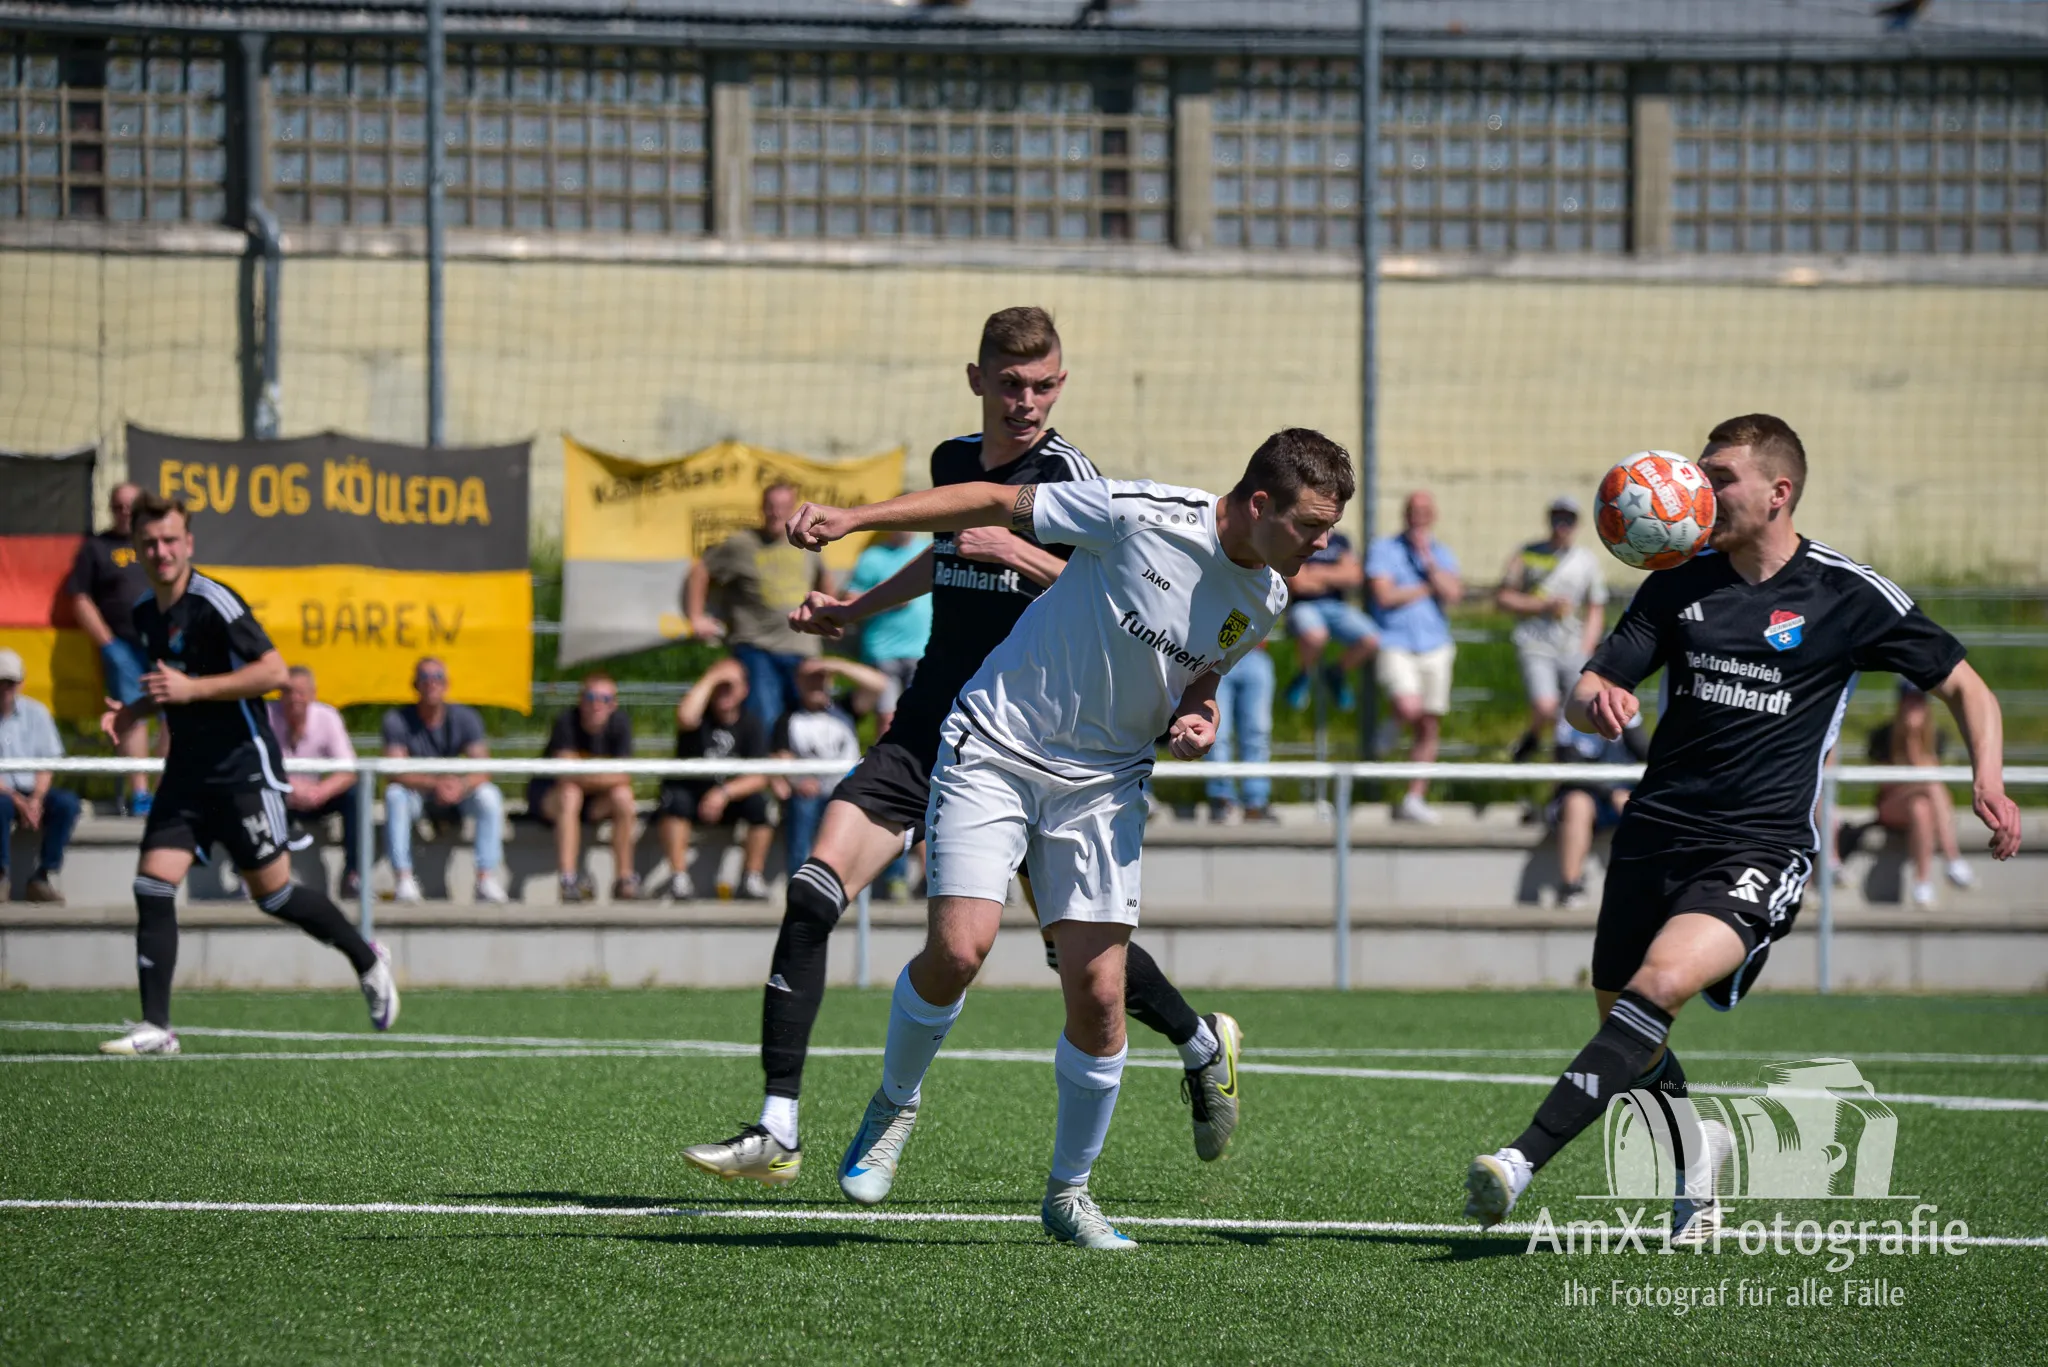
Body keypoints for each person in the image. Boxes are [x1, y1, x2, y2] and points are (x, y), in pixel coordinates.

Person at [679, 307, 1239, 1196]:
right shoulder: (953, 460)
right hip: (929, 724)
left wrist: (1016, 549)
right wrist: (853, 610)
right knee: (813, 889)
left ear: (1061, 384)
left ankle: (1200, 1041)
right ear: (977, 379)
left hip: (1033, 739)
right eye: (1010, 384)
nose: (1027, 401)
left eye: (1044, 385)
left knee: (1081, 963)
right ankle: (778, 1124)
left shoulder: (1070, 478)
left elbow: (1118, 599)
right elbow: (947, 555)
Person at [1464, 413, 2022, 1246]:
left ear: (1777, 491)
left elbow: (1968, 687)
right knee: (1625, 1022)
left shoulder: (1846, 593)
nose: (1700, 489)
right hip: (1654, 833)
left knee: (1658, 986)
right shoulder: (1675, 581)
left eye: (1720, 476)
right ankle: (1698, 1154)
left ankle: (1518, 1161)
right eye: (1698, 471)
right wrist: (1596, 701)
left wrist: (1987, 776)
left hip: (1760, 845)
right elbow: (1589, 686)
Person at [788, 426, 1352, 1250]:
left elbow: (1204, 669)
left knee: (1098, 993)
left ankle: (1069, 1194)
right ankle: (894, 1104)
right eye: (1312, 525)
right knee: (960, 949)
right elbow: (991, 500)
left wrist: (1200, 710)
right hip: (998, 743)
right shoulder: (1142, 512)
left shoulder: (1266, 595)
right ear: (1261, 504)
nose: (1324, 544)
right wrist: (854, 518)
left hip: (1106, 782)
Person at [95, 492, 397, 1055]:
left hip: (242, 773)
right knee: (152, 885)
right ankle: (157, 1028)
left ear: (189, 543)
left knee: (274, 896)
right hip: (186, 773)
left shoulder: (216, 603)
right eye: (149, 543)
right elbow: (172, 684)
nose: (161, 551)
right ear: (136, 547)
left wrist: (193, 690)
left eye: (170, 540)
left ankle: (366, 957)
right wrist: (134, 712)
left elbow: (275, 672)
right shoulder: (145, 613)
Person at [686, 483, 835, 733]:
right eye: (771, 507)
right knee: (766, 723)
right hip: (758, 648)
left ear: (793, 509)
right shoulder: (741, 543)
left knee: (807, 724)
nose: (776, 513)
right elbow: (700, 571)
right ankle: (764, 761)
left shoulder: (806, 541)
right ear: (762, 508)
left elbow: (824, 579)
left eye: (783, 507)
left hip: (802, 647)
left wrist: (831, 615)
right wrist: (696, 617)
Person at [1367, 490, 1464, 823]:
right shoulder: (1385, 549)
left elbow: (1453, 594)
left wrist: (1428, 562)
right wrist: (1426, 588)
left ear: (1433, 515)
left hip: (1435, 644)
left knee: (1429, 722)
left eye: (1425, 510)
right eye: (1414, 509)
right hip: (1396, 641)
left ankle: (1414, 796)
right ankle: (1394, 722)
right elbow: (1384, 596)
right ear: (1405, 514)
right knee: (1409, 706)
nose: (1419, 515)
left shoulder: (1442, 554)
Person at [381, 658, 507, 905]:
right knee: (394, 795)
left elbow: (484, 767)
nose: (432, 683)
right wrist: (435, 784)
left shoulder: (466, 717)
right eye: (425, 678)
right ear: (415, 684)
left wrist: (462, 785)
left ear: (446, 684)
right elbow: (394, 771)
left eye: (437, 677)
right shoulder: (396, 720)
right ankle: (403, 879)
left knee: (489, 796)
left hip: (457, 794)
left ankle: (485, 878)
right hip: (417, 794)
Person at [1843, 680, 1975, 908]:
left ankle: (1921, 882)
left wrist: (1915, 741)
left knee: (1921, 808)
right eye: (1909, 701)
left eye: (1918, 702)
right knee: (1932, 787)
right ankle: (1952, 858)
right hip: (1891, 805)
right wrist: (1907, 738)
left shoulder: (1936, 737)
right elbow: (1887, 784)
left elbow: (1929, 772)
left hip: (1917, 805)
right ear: (1900, 703)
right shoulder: (1883, 735)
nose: (1914, 707)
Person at [1498, 496, 1610, 764]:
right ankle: (1534, 737)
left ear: (1577, 524)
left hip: (1573, 647)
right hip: (1535, 642)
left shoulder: (1586, 561)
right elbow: (1503, 598)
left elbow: (1595, 607)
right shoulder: (1528, 554)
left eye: (1568, 519)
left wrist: (1587, 648)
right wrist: (1542, 605)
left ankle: (1564, 771)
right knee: (1545, 705)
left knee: (1574, 715)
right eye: (1557, 518)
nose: (1562, 525)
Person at [652, 657, 774, 902]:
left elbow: (761, 776)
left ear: (745, 690)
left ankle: (752, 877)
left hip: (728, 797)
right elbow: (685, 717)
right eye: (719, 686)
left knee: (759, 806)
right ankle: (679, 879)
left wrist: (724, 793)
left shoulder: (751, 723)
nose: (723, 691)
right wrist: (712, 677)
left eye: (730, 686)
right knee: (675, 801)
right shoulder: (699, 716)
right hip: (689, 792)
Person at [68, 481, 156, 815]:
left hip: (161, 644)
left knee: (176, 713)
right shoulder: (96, 547)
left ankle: (169, 789)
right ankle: (140, 793)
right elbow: (79, 598)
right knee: (131, 713)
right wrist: (108, 644)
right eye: (118, 507)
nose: (124, 513)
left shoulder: (155, 542)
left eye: (130, 507)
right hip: (123, 646)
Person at [531, 673, 638, 903]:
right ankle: (568, 880)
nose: (597, 704)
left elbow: (624, 777)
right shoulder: (566, 721)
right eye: (590, 697)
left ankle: (624, 879)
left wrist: (582, 773)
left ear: (614, 704)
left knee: (623, 796)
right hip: (553, 798)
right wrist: (604, 774)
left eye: (605, 699)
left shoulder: (620, 723)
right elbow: (565, 773)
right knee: (570, 794)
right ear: (580, 700)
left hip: (592, 801)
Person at [267, 665, 363, 897]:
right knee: (254, 795)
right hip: (278, 795)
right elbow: (253, 765)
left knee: (356, 794)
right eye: (288, 692)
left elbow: (349, 770)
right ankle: (258, 874)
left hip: (318, 797)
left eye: (301, 692)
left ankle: (354, 875)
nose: (294, 698)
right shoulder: (266, 717)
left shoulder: (327, 717)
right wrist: (290, 787)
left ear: (313, 694)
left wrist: (321, 790)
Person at [0, 648, 82, 904]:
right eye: (0, 683)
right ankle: (1, 876)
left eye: (9, 683)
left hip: (33, 789)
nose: (4, 689)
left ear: (21, 683)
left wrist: (35, 799)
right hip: (4, 794)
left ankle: (43, 876)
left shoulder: (37, 712)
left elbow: (47, 763)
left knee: (67, 804)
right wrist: (18, 799)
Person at [1547, 712, 1648, 909]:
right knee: (1577, 804)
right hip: (1585, 796)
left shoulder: (1627, 713)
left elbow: (1647, 755)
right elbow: (1572, 772)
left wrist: (1628, 724)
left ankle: (1646, 882)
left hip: (1620, 795)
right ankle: (1571, 886)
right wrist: (1610, 793)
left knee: (1636, 804)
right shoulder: (1570, 720)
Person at [1280, 529, 1379, 714]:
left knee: (1371, 639)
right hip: (1304, 605)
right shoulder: (1298, 535)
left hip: (1337, 606)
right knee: (1316, 635)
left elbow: (1355, 577)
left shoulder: (1341, 540)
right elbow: (1299, 583)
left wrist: (1317, 573)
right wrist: (1335, 576)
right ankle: (1304, 676)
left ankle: (1335, 673)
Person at [845, 529, 932, 734]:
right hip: (884, 650)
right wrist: (889, 601)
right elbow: (850, 600)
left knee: (922, 716)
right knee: (887, 719)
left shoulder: (928, 551)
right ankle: (884, 755)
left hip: (923, 650)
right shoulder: (873, 556)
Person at [1204, 638, 1276, 823]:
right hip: (1215, 654)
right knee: (1216, 734)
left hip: (1255, 653)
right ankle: (1222, 799)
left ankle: (1256, 802)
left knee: (1258, 734)